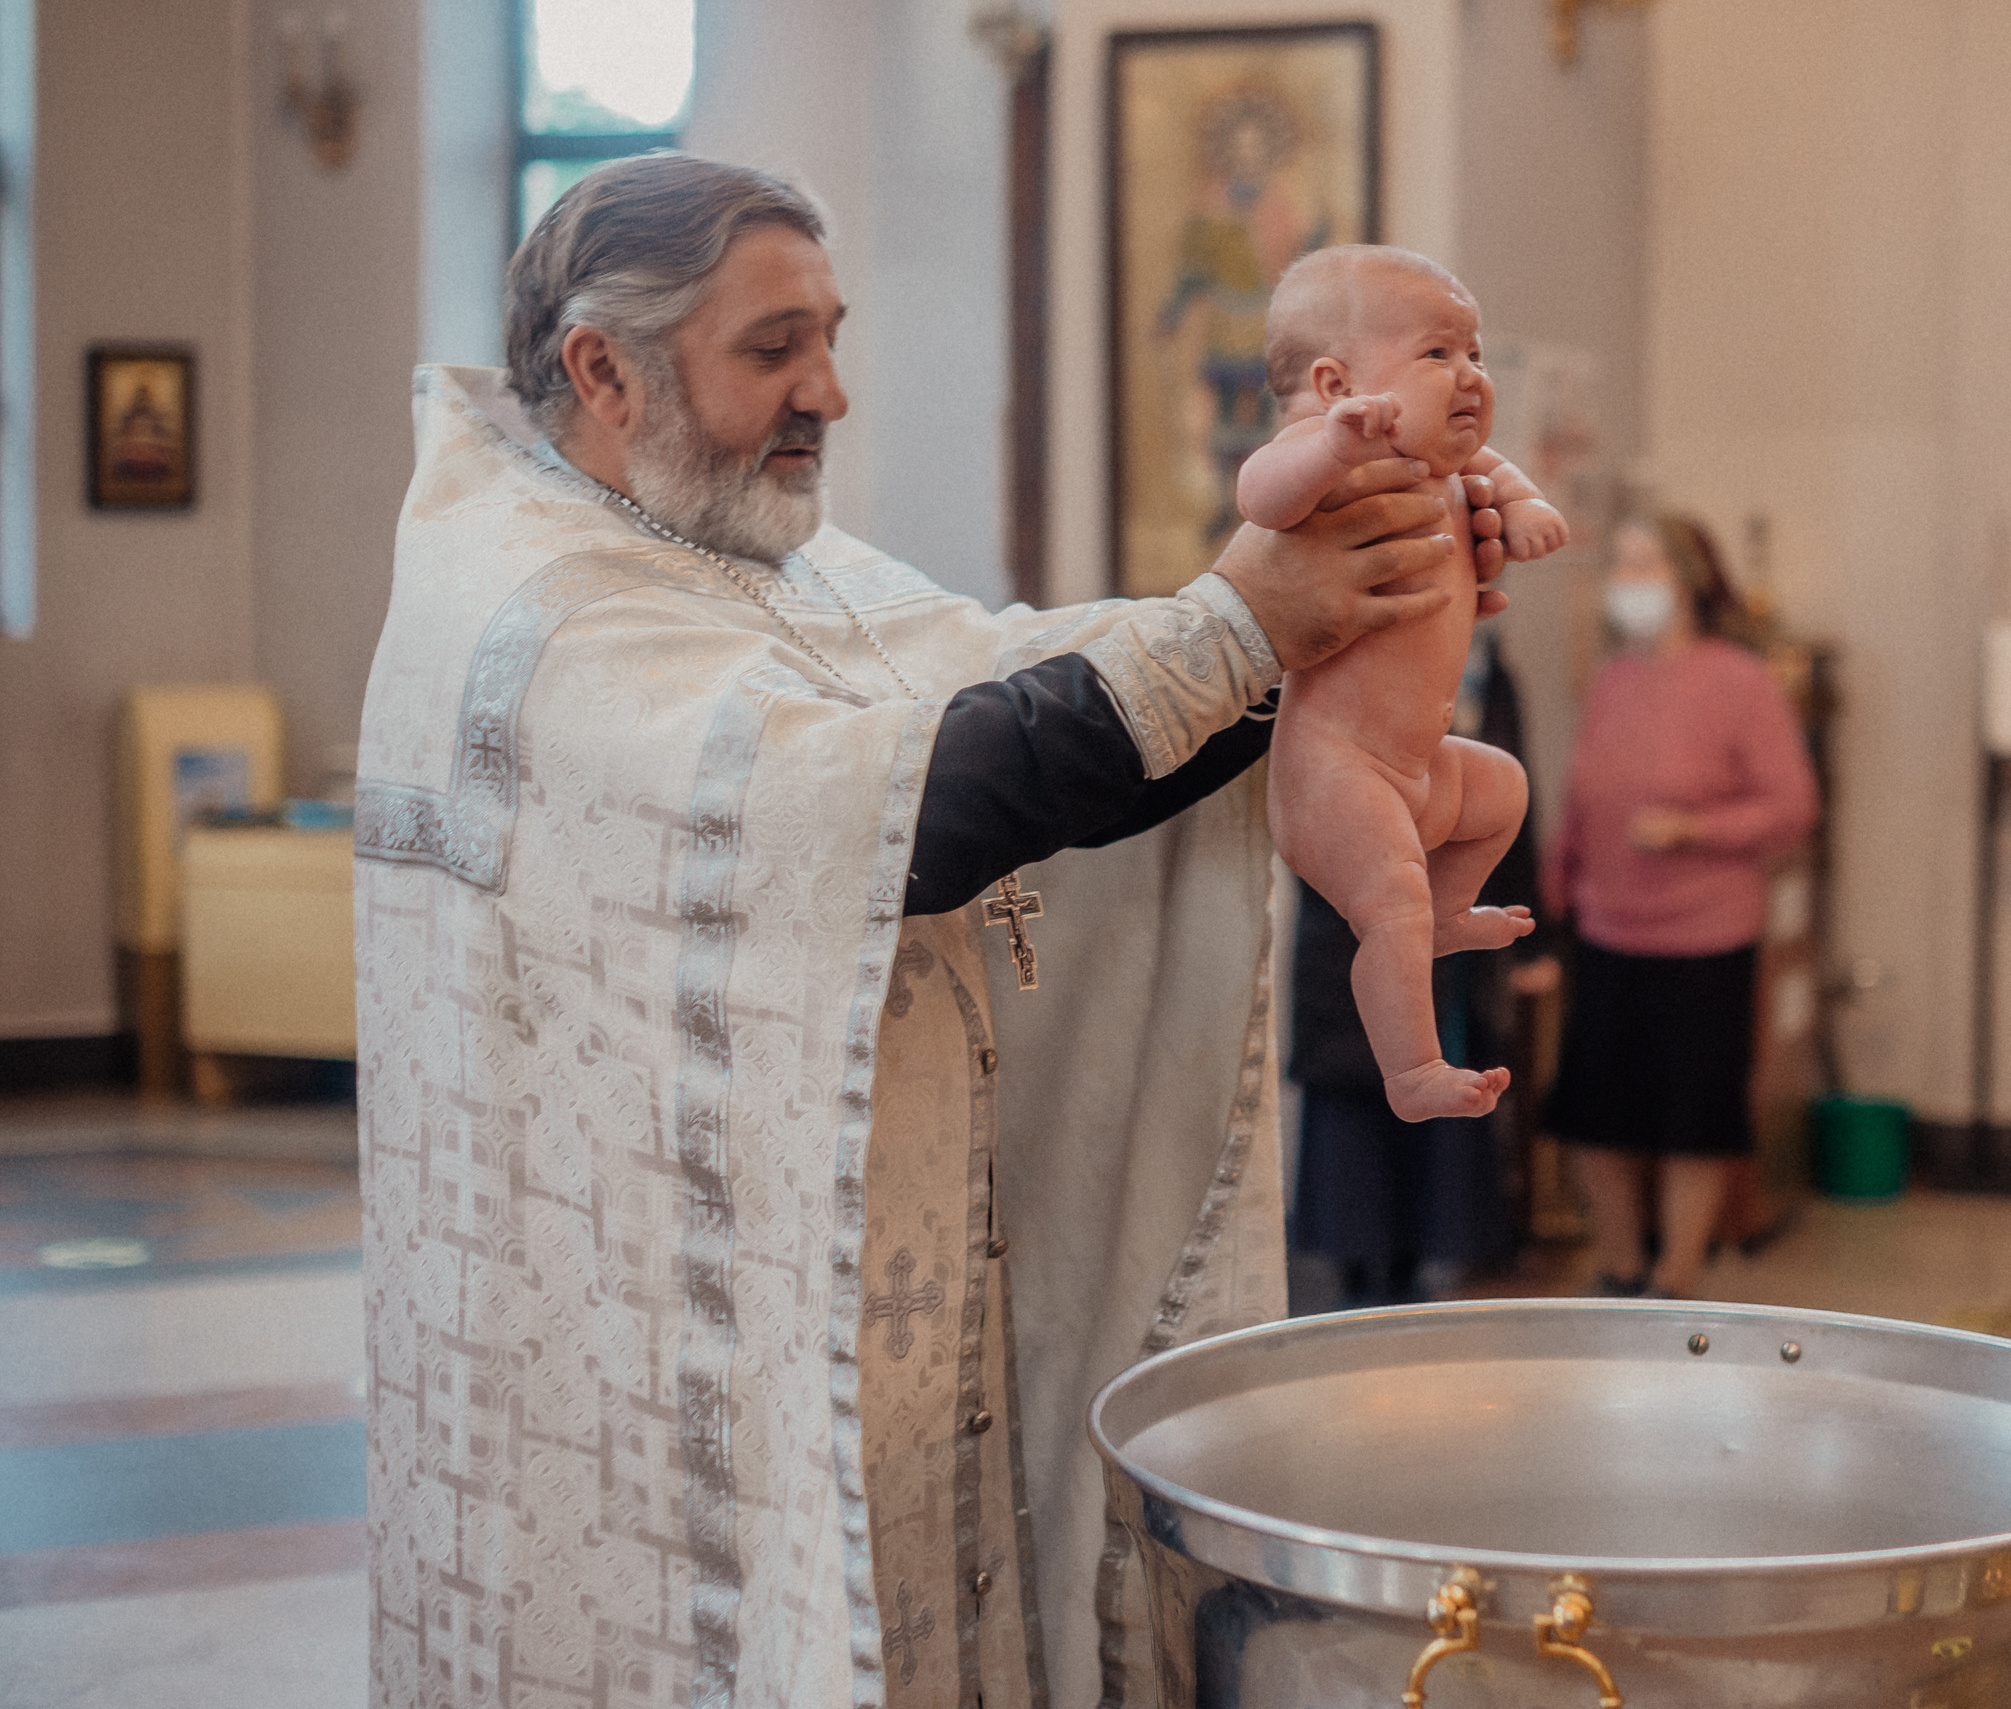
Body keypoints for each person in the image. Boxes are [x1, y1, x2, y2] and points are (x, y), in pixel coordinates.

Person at [353, 154, 1511, 1709]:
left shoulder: (768, 559)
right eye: (774, 348)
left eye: (830, 336)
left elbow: (1013, 674)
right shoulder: (535, 613)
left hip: (872, 1305)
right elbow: (900, 803)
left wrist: (1344, 641)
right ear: (602, 369)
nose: (828, 389)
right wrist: (1247, 624)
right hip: (663, 1369)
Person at [1239, 245, 1565, 1122]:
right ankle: (1413, 1069)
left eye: (1475, 353)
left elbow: (1501, 473)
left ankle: (1452, 912)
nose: (1469, 375)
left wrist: (1526, 508)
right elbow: (1261, 497)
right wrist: (1325, 451)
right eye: (1437, 353)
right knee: (1391, 904)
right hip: (1332, 769)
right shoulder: (1330, 452)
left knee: (1502, 785)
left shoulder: (1457, 471)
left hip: (1415, 764)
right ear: (1337, 385)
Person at [1541, 513, 1818, 1299]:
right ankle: (1620, 1268)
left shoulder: (1739, 681)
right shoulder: (1613, 679)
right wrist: (1554, 887)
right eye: (1620, 566)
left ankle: (1675, 1279)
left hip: (1704, 938)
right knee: (1596, 1114)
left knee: (1691, 1116)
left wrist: (1693, 829)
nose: (1628, 582)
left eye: (1645, 565)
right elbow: (1582, 790)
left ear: (1689, 580)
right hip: (1605, 929)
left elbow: (1792, 806)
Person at [1288, 629, 1542, 1305]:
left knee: (1506, 786)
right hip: (1352, 819)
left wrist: (1511, 522)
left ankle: (1432, 1249)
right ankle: (1359, 1258)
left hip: (1425, 807)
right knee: (1356, 1074)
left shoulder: (1487, 657)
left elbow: (1525, 791)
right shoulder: (1340, 612)